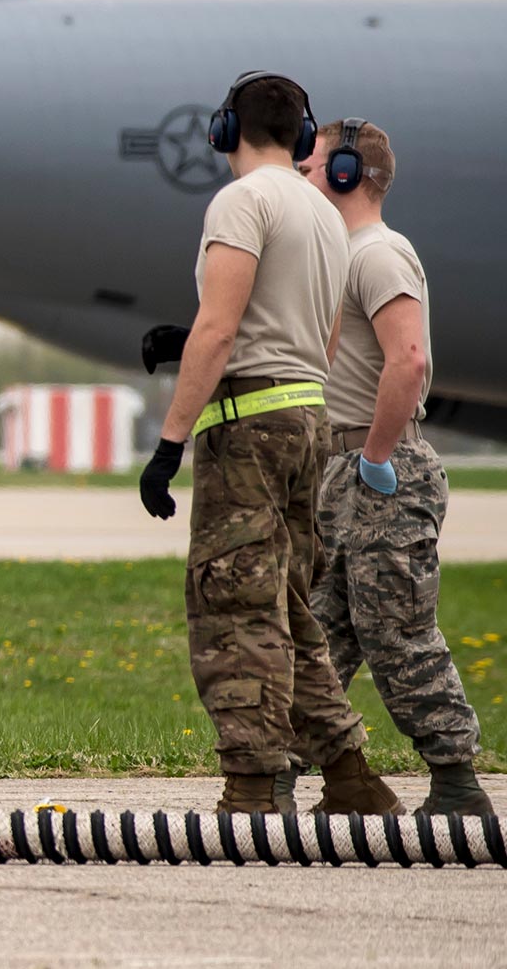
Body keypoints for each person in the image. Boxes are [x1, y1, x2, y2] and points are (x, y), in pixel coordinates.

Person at [135, 71, 398, 816]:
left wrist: (169, 443)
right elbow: (312, 336)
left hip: (247, 427)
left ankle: (250, 788)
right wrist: (195, 343)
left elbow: (222, 330)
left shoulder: (242, 202)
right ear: (304, 136)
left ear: (226, 130)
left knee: (236, 604)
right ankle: (350, 777)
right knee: (287, 607)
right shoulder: (320, 214)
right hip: (306, 418)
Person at [300, 119, 491, 817]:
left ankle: (457, 786)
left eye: (314, 165)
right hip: (340, 465)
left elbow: (409, 361)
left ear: (348, 173)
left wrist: (375, 459)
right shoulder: (341, 254)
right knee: (318, 634)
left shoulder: (379, 254)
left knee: (396, 631)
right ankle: (297, 783)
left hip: (379, 468)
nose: (302, 174)